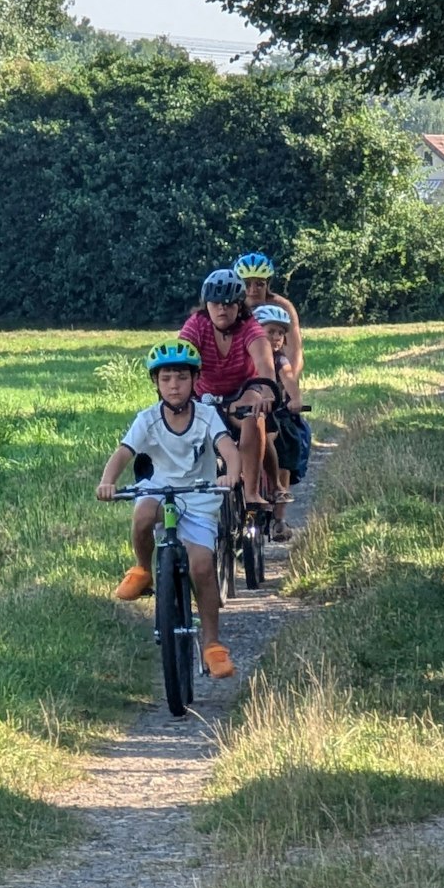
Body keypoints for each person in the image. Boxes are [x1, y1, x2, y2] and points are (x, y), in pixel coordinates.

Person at [96, 338, 241, 679]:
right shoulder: (147, 419)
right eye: (166, 378)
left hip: (199, 497)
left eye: (181, 377)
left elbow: (228, 448)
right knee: (143, 513)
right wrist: (107, 482)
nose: (174, 385)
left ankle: (212, 644)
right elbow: (123, 453)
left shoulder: (206, 416)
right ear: (156, 383)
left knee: (202, 568)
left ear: (195, 380)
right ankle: (142, 569)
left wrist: (231, 474)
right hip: (160, 490)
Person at [179, 268, 280, 506]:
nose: (221, 309)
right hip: (205, 396)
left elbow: (265, 366)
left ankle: (252, 492)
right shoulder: (196, 325)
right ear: (206, 305)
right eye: (215, 304)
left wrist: (267, 394)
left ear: (239, 305)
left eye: (229, 304)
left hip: (242, 393)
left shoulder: (250, 328)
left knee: (253, 414)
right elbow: (180, 360)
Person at [253, 303, 311, 542]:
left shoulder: (280, 360)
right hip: (250, 412)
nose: (276, 337)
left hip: (278, 412)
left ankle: (279, 515)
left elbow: (288, 378)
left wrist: (295, 399)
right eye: (270, 331)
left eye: (280, 332)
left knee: (286, 447)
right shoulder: (247, 358)